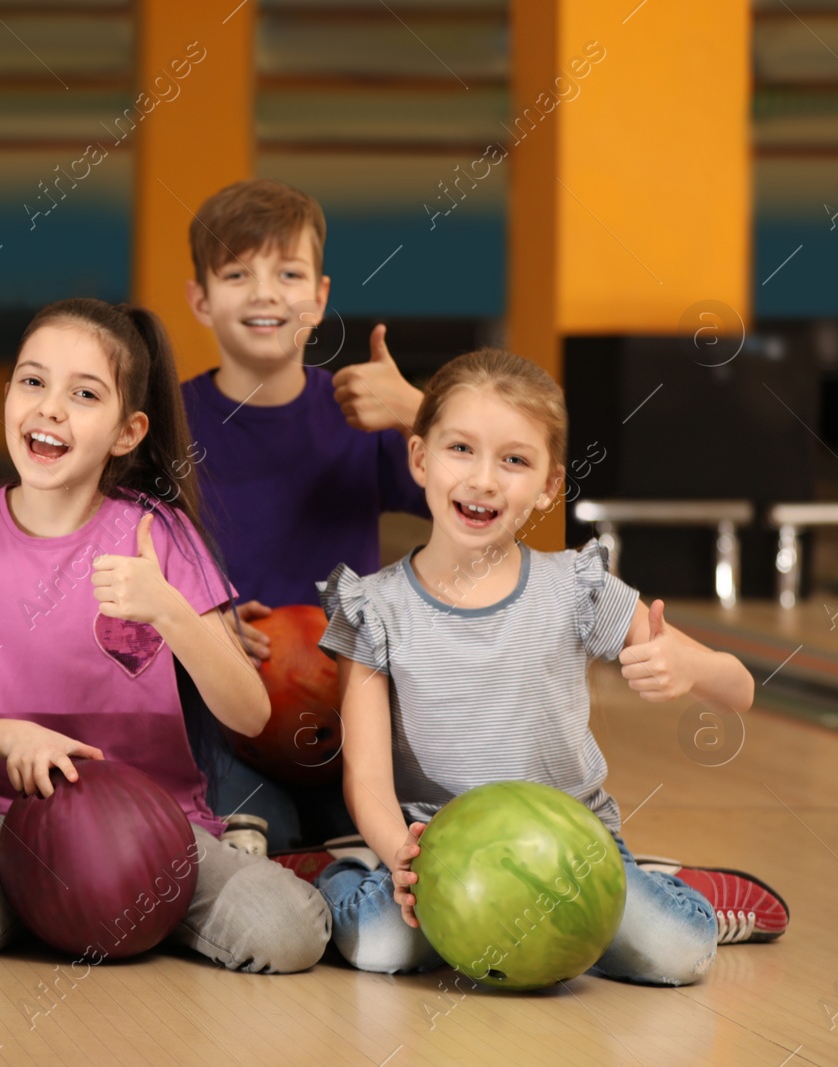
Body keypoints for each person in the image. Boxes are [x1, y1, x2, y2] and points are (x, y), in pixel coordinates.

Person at [0, 298, 331, 971]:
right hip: (13, 824)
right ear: (7, 395)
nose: (51, 407)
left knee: (289, 932)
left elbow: (250, 711)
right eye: (33, 382)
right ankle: (66, 905)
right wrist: (11, 735)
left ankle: (116, 896)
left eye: (84, 394)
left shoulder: (160, 533)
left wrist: (170, 610)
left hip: (163, 827)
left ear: (127, 432)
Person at [314, 348, 789, 986]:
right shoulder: (373, 607)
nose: (484, 479)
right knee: (378, 947)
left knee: (679, 953)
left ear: (549, 485)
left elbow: (741, 690)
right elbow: (367, 776)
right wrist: (397, 851)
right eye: (461, 449)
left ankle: (669, 886)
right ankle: (343, 868)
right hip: (437, 845)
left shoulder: (575, 588)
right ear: (420, 458)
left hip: (575, 846)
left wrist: (688, 667)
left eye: (514, 460)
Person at [178, 178, 430, 852]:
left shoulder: (365, 415)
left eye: (288, 273)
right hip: (225, 706)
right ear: (200, 299)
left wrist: (419, 413)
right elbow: (118, 556)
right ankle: (241, 829)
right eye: (238, 273)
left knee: (365, 835)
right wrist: (200, 617)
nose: (265, 292)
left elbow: (485, 504)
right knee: (263, 833)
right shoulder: (168, 426)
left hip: (349, 706)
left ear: (319, 298)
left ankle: (343, 843)